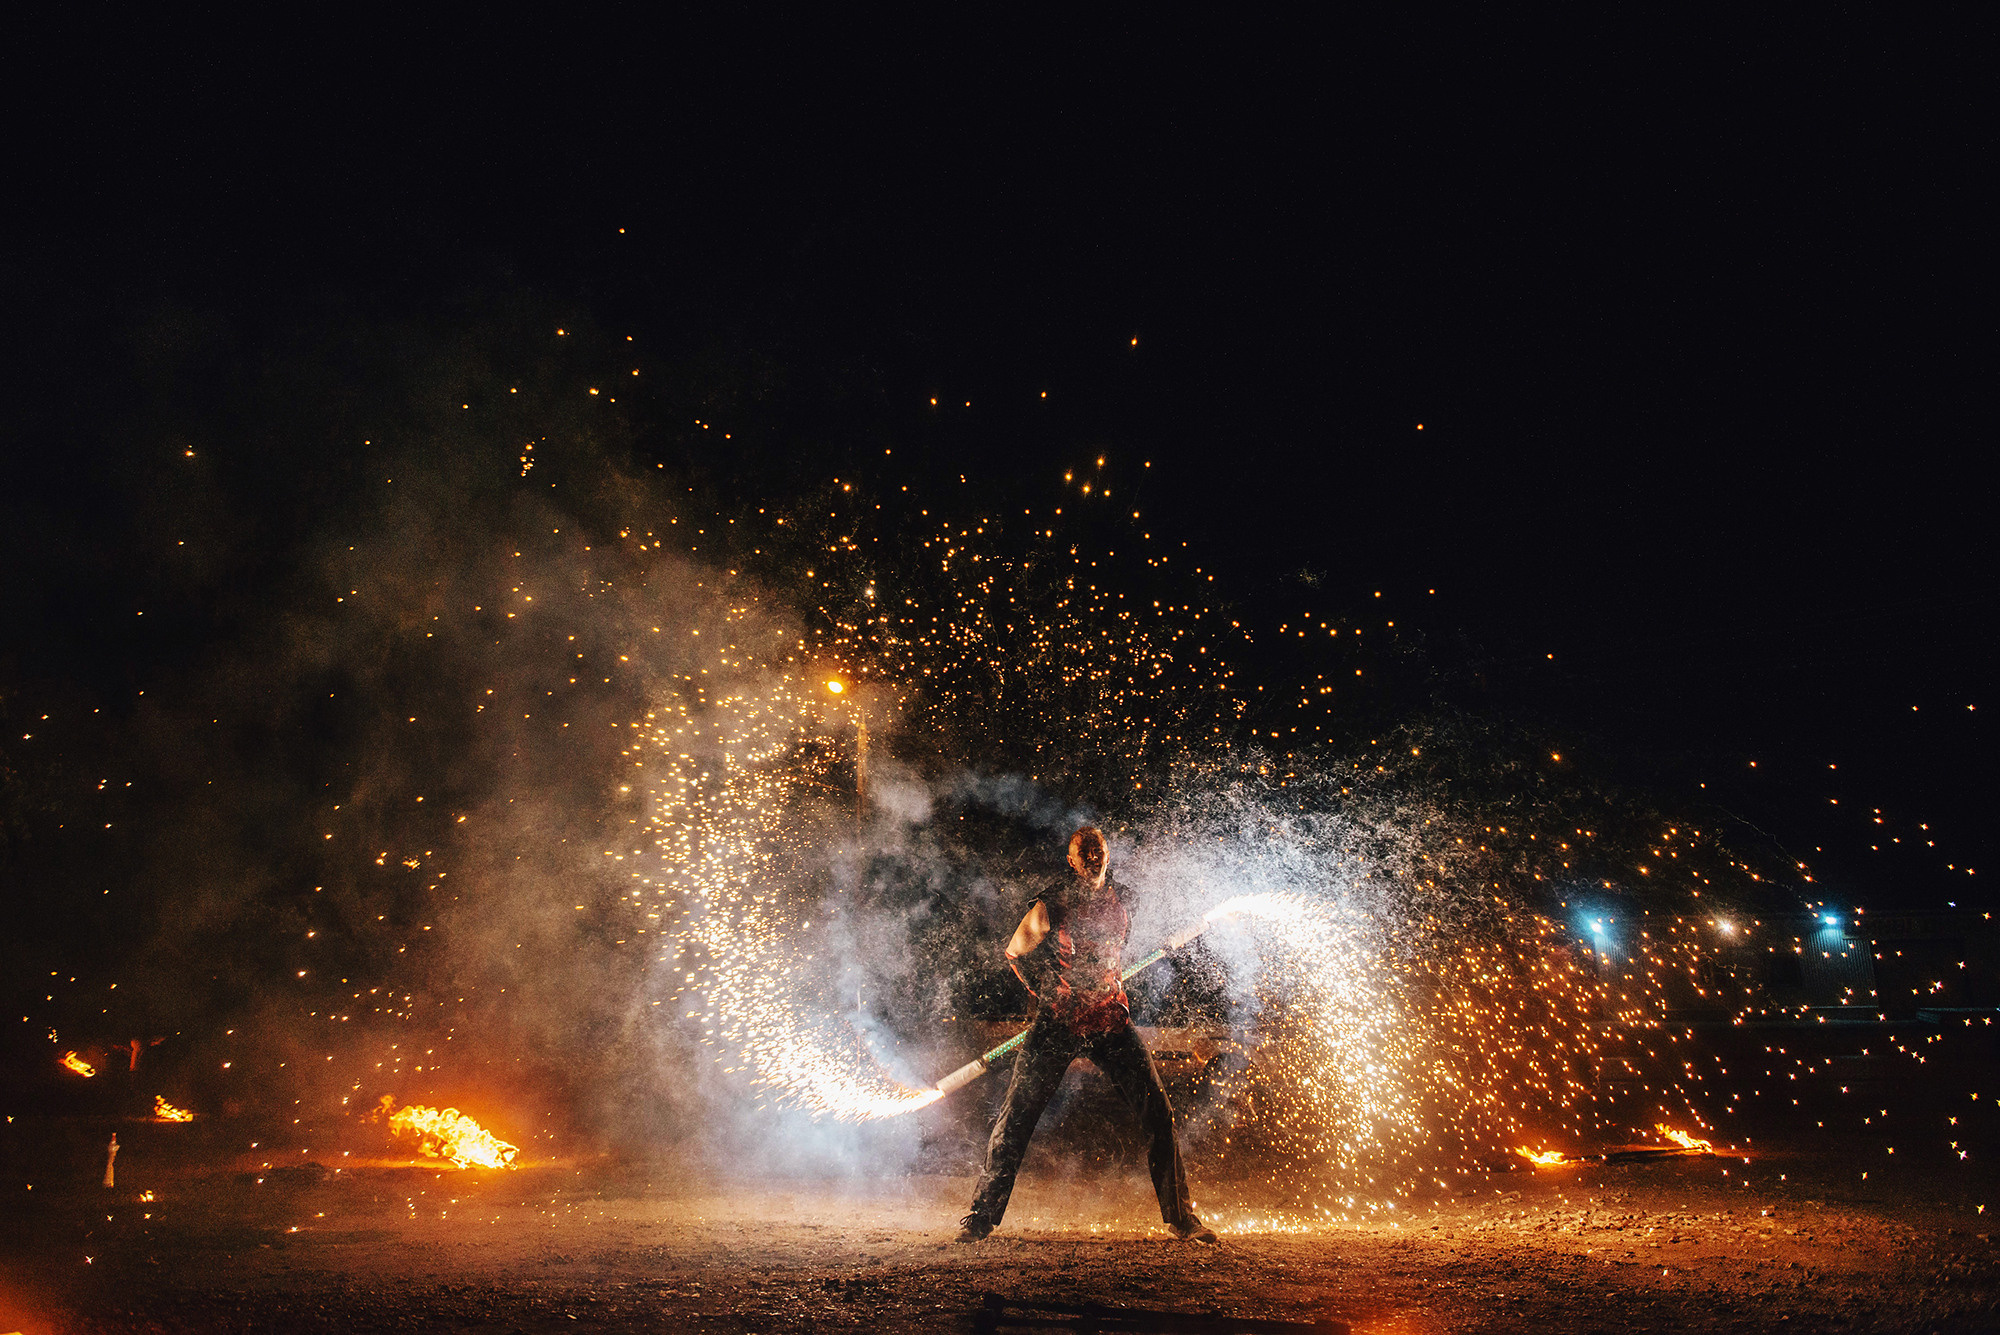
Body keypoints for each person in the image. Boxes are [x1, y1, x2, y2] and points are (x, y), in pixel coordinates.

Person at [958, 825, 1217, 1244]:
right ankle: (980, 1215)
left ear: (1108, 855)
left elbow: (1123, 948)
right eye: (1085, 851)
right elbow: (1014, 954)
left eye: (1099, 849)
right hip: (1058, 1023)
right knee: (1016, 1117)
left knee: (1158, 1113)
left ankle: (1182, 1218)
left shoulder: (1125, 900)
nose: (1094, 856)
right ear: (1072, 860)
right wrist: (1044, 993)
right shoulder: (1051, 904)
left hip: (1110, 1021)